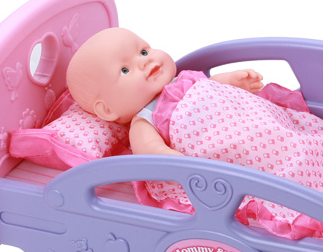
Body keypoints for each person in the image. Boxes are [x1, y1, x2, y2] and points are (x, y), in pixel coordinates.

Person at [66, 27, 263, 156]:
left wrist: (232, 80)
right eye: (125, 70)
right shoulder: (145, 120)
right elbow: (149, 150)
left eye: (143, 51)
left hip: (254, 122)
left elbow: (210, 85)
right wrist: (169, 158)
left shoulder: (184, 80)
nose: (144, 61)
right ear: (107, 110)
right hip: (228, 152)